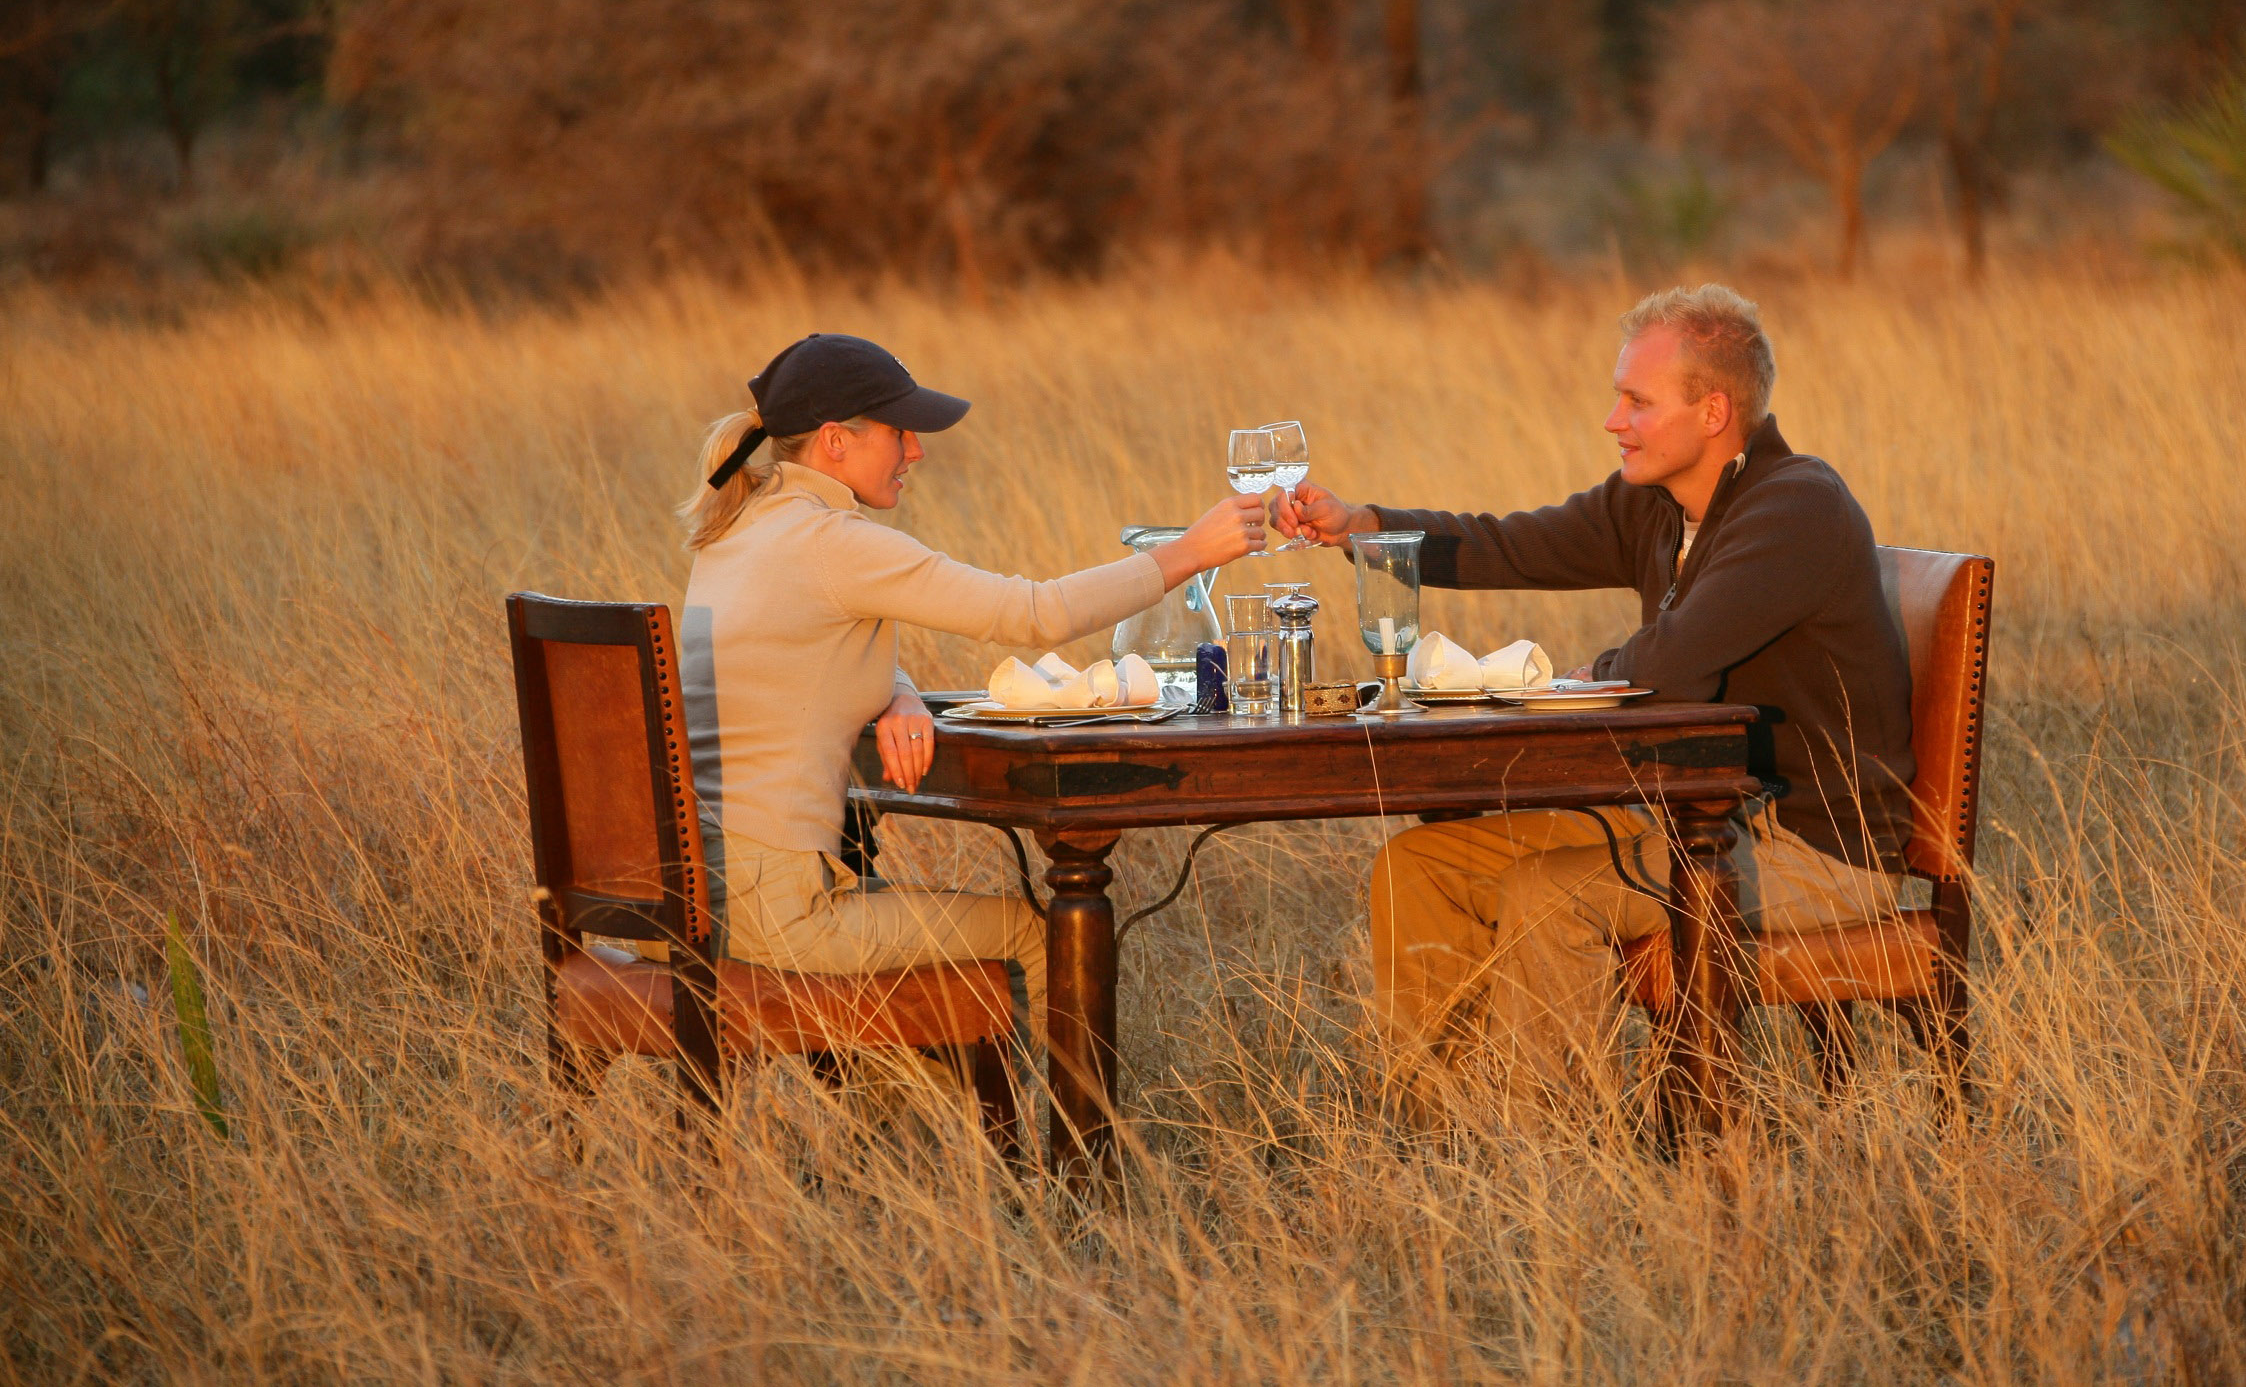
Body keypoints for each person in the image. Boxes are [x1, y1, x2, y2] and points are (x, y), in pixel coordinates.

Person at [1273, 284, 1914, 1097]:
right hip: (1691, 813)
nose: (1614, 420)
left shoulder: (1795, 508)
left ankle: (1548, 1151)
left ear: (1713, 411)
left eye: (1636, 401)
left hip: (1818, 851)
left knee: (1548, 895)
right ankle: (1448, 1127)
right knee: (1419, 866)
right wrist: (1367, 527)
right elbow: (1511, 545)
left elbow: (1671, 664)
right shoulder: (1656, 504)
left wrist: (1579, 679)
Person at [677, 332, 1265, 1043]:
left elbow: (796, 642)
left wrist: (896, 690)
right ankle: (1078, 1150)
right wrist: (1187, 555)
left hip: (700, 891)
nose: (916, 452)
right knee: (1037, 932)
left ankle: (920, 1148)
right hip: (781, 915)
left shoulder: (743, 522)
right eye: (901, 432)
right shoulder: (834, 543)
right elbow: (1031, 614)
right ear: (835, 440)